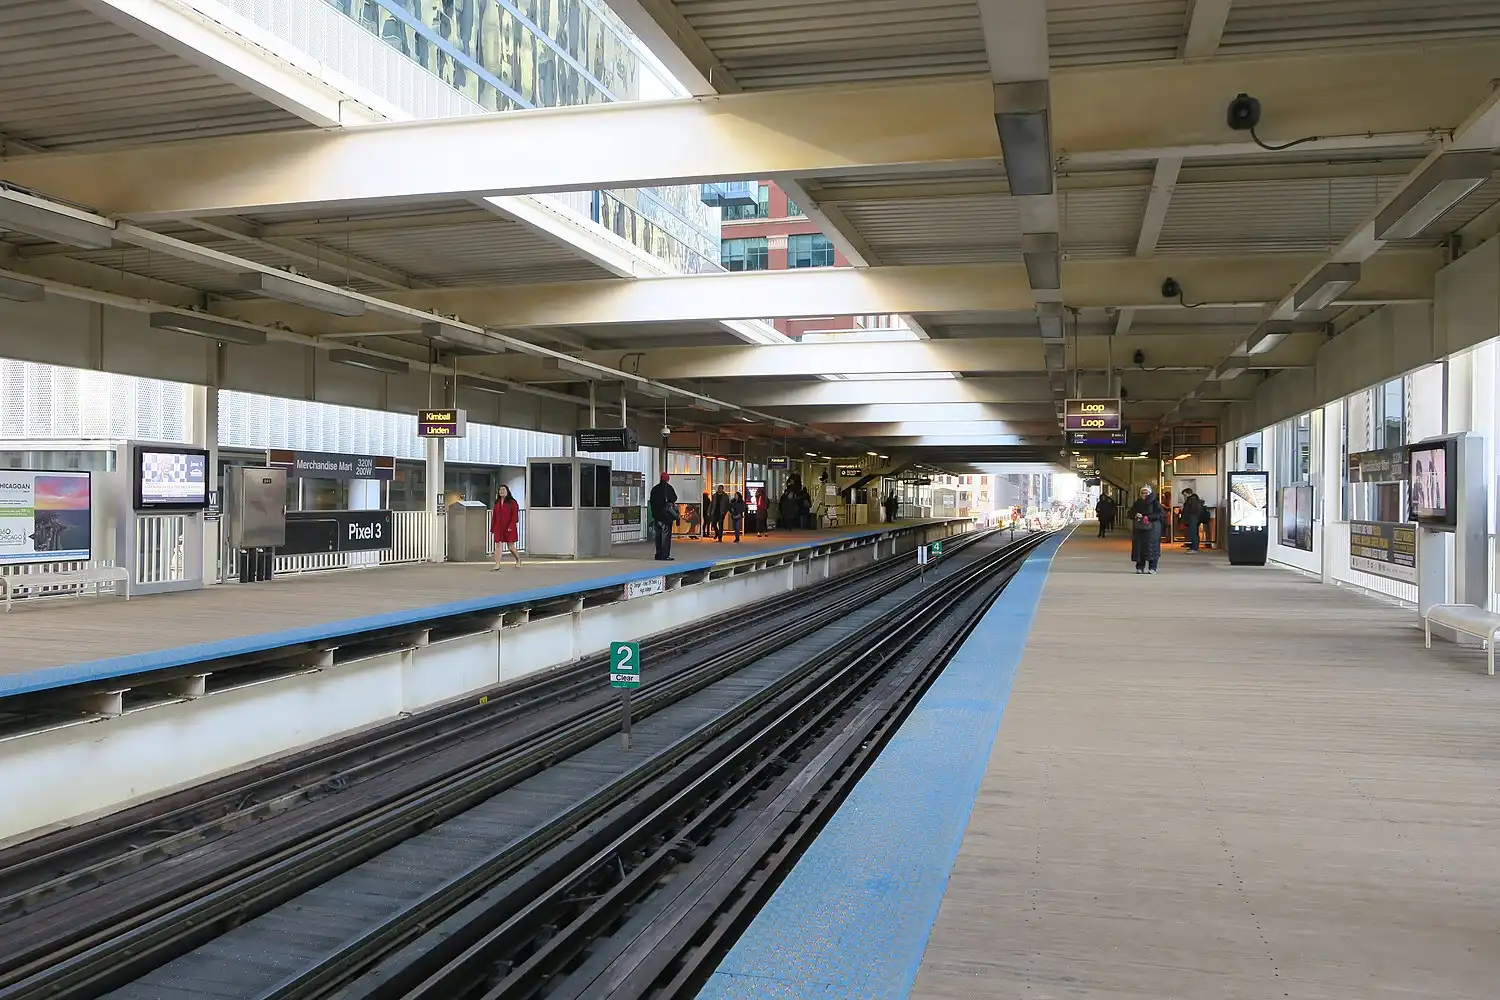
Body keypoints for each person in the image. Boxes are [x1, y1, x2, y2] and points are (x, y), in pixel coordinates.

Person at [1130, 485, 1165, 574]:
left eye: (1146, 493)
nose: (1144, 495)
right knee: (1139, 548)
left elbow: (1160, 514)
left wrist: (1148, 517)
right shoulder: (1137, 503)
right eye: (1142, 493)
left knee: (1152, 547)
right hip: (1139, 528)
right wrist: (1135, 514)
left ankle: (1153, 567)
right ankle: (1140, 567)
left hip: (1152, 529)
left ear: (1150, 493)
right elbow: (1130, 513)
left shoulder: (1155, 503)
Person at [489, 485, 522, 569]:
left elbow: (515, 516)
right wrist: (492, 527)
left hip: (509, 527)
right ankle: (497, 564)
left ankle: (518, 559)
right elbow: (494, 516)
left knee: (510, 547)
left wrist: (511, 526)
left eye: (503, 490)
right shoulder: (497, 503)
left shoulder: (512, 502)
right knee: (498, 545)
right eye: (500, 490)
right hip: (498, 527)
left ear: (507, 491)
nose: (501, 491)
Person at [649, 472, 679, 561]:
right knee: (665, 536)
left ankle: (658, 554)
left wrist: (654, 514)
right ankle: (665, 555)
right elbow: (674, 498)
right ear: (667, 479)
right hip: (666, 517)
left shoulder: (654, 489)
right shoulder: (668, 488)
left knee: (658, 535)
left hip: (657, 516)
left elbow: (652, 502)